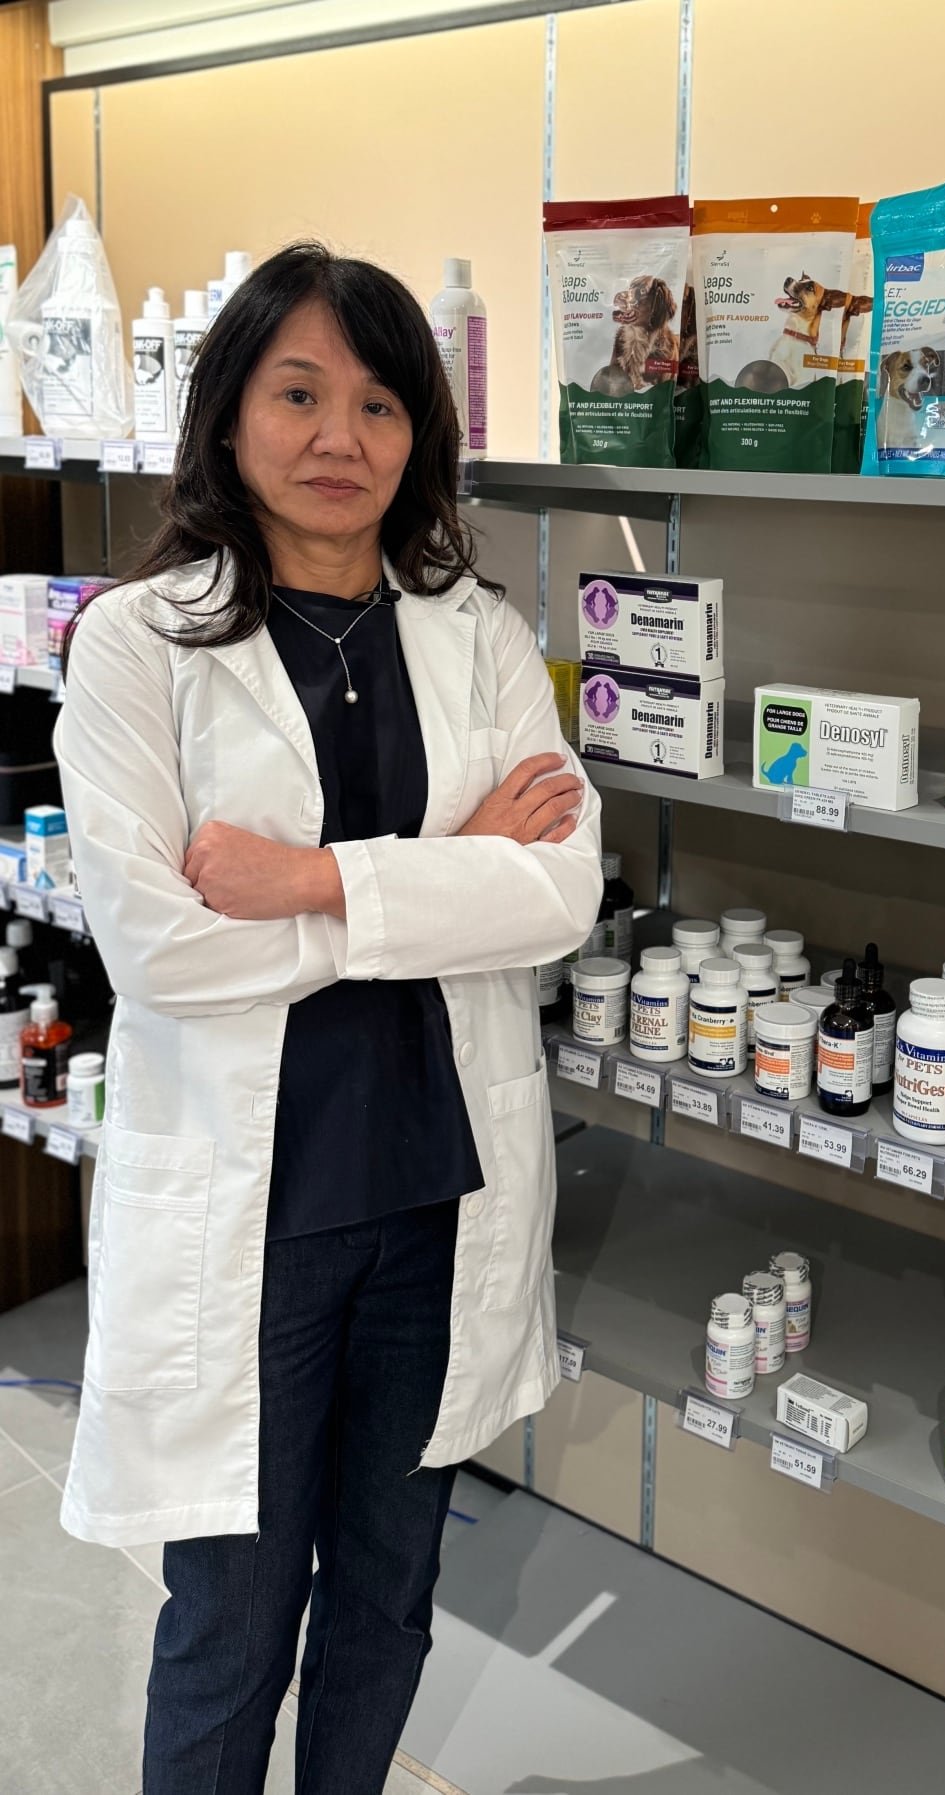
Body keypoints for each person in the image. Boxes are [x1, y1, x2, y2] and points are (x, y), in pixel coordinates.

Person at [54, 241, 602, 1794]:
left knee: (387, 1598)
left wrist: (304, 884)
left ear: (418, 434)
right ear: (230, 411)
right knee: (228, 1621)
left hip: (436, 1200)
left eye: (377, 403)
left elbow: (557, 896)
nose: (338, 439)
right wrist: (440, 887)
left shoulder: (476, 633)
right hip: (259, 1221)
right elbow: (161, 954)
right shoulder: (135, 645)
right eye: (298, 392)